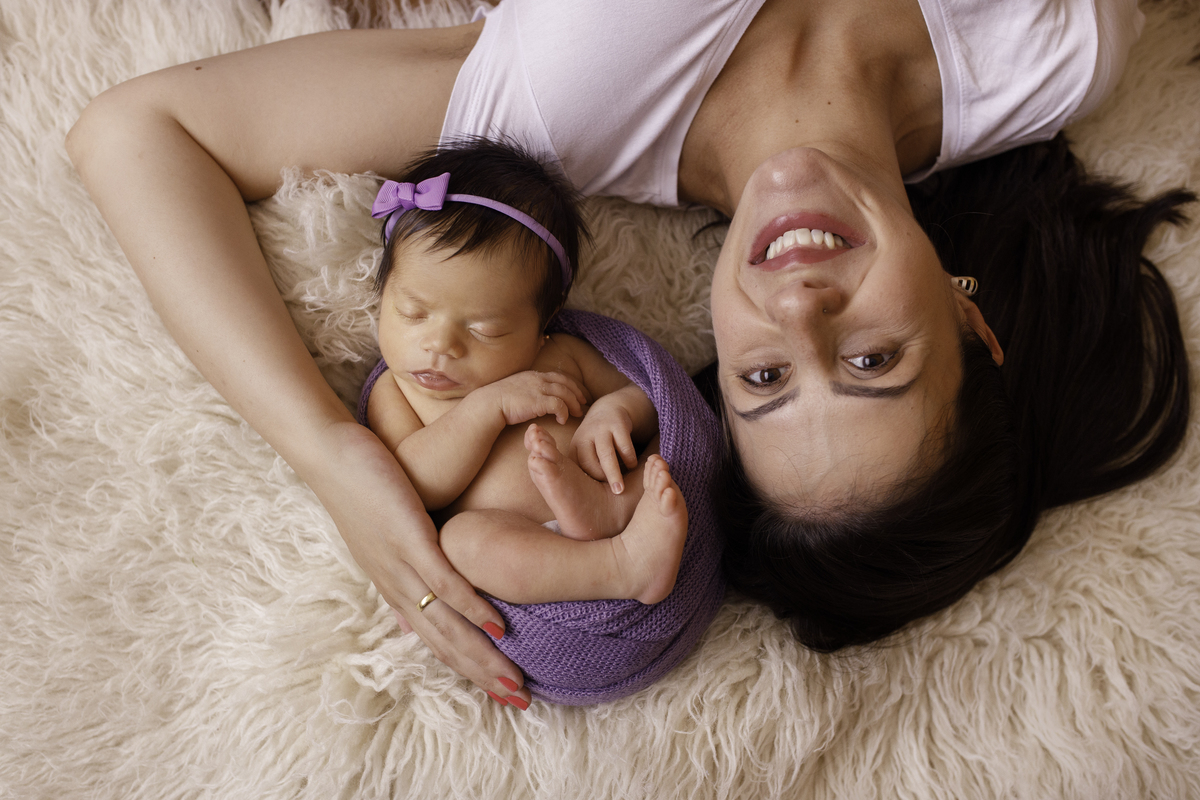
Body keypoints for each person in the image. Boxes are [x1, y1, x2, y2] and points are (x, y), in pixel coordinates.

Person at [65, 0, 1190, 709]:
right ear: (969, 316)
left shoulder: (559, 112)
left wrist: (327, 449)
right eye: (869, 359)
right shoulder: (1062, 49)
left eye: (763, 379)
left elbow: (135, 134)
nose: (799, 309)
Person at [359, 137, 687, 611]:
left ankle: (610, 513)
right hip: (526, 546)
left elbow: (646, 398)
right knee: (464, 541)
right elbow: (416, 484)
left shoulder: (558, 356)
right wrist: (486, 409)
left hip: (622, 499)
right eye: (412, 313)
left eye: (485, 329)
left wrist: (613, 412)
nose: (440, 345)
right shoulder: (396, 391)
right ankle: (620, 566)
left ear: (542, 323)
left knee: (667, 464)